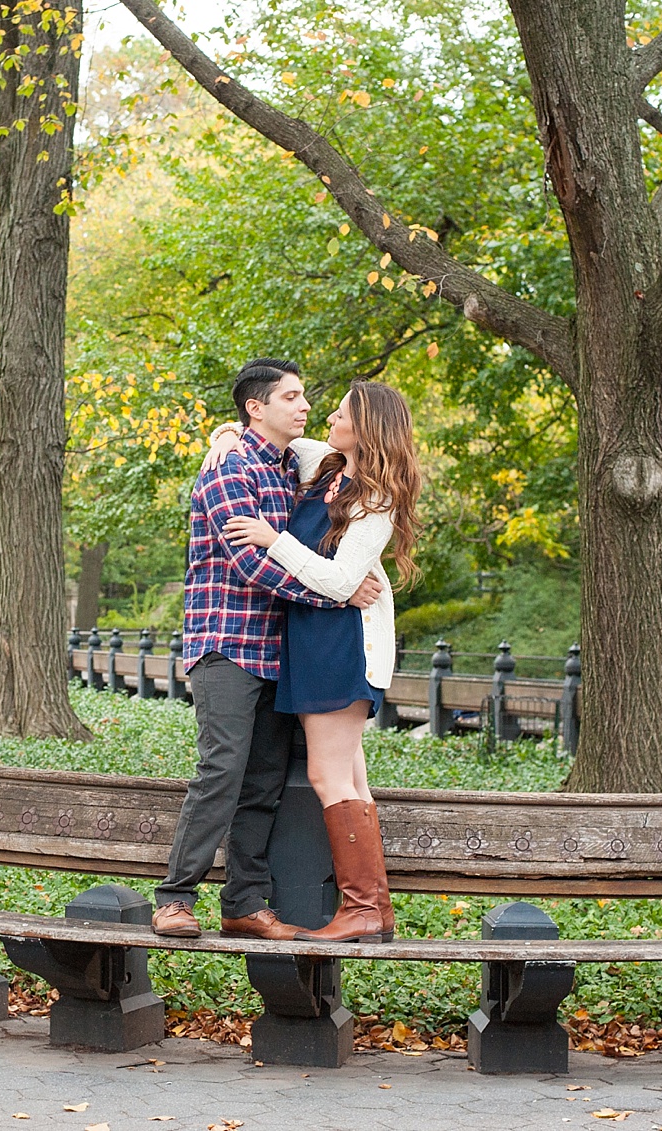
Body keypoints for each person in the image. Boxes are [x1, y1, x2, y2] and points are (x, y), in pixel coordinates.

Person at [151, 358, 383, 941]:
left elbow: (309, 537)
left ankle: (244, 904)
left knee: (264, 782)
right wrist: (338, 593)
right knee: (222, 768)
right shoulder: (230, 469)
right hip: (226, 643)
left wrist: (340, 585)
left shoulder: (295, 469)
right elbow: (252, 563)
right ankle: (176, 898)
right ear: (257, 408)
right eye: (292, 398)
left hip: (279, 652)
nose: (306, 408)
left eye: (307, 398)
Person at [216, 381, 422, 942]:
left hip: (340, 643)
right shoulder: (326, 467)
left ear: (368, 426)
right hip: (310, 641)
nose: (326, 415)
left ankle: (359, 908)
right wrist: (225, 431)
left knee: (328, 774)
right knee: (351, 776)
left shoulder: (375, 500)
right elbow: (260, 435)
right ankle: (373, 910)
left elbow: (338, 581)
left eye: (341, 411)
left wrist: (270, 538)